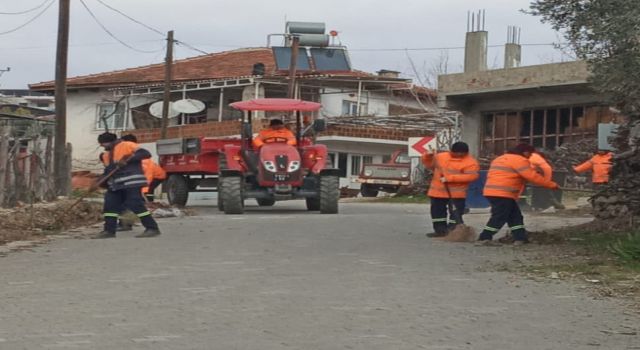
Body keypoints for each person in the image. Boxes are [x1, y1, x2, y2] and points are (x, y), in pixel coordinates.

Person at [478, 144, 559, 245]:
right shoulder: (520, 160)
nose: (529, 157)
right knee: (499, 217)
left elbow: (512, 175)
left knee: (515, 216)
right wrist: (551, 184)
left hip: (492, 191)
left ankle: (520, 238)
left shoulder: (500, 158)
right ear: (525, 152)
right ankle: (484, 238)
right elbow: (532, 176)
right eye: (530, 154)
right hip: (504, 193)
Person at [92, 132, 161, 239]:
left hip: (131, 183)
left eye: (103, 143)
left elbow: (145, 153)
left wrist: (128, 159)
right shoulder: (106, 155)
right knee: (110, 205)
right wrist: (98, 182)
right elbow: (108, 172)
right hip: (115, 185)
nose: (102, 146)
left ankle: (152, 228)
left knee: (134, 204)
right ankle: (109, 231)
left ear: (109, 142)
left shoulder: (127, 145)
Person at [421, 142, 480, 237]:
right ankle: (440, 231)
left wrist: (449, 178)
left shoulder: (471, 162)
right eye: (457, 153)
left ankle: (453, 230)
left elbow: (471, 176)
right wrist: (428, 155)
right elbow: (429, 165)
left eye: (462, 154)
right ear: (451, 151)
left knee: (456, 213)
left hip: (457, 194)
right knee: (437, 213)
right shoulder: (440, 157)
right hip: (438, 192)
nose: (459, 155)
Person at [121, 134, 167, 202]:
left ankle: (148, 202)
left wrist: (144, 190)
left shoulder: (141, 159)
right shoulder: (133, 155)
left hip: (157, 176)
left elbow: (148, 176)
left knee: (148, 190)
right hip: (149, 175)